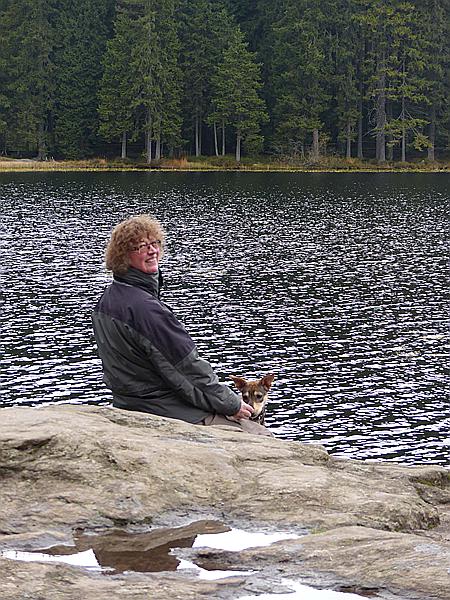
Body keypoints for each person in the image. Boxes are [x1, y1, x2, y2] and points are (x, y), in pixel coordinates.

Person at [92, 215, 272, 436]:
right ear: (122, 256)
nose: (152, 251)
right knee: (261, 437)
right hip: (162, 409)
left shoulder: (108, 299)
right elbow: (188, 370)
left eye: (155, 243)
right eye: (141, 247)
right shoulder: (147, 310)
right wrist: (230, 404)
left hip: (128, 403)